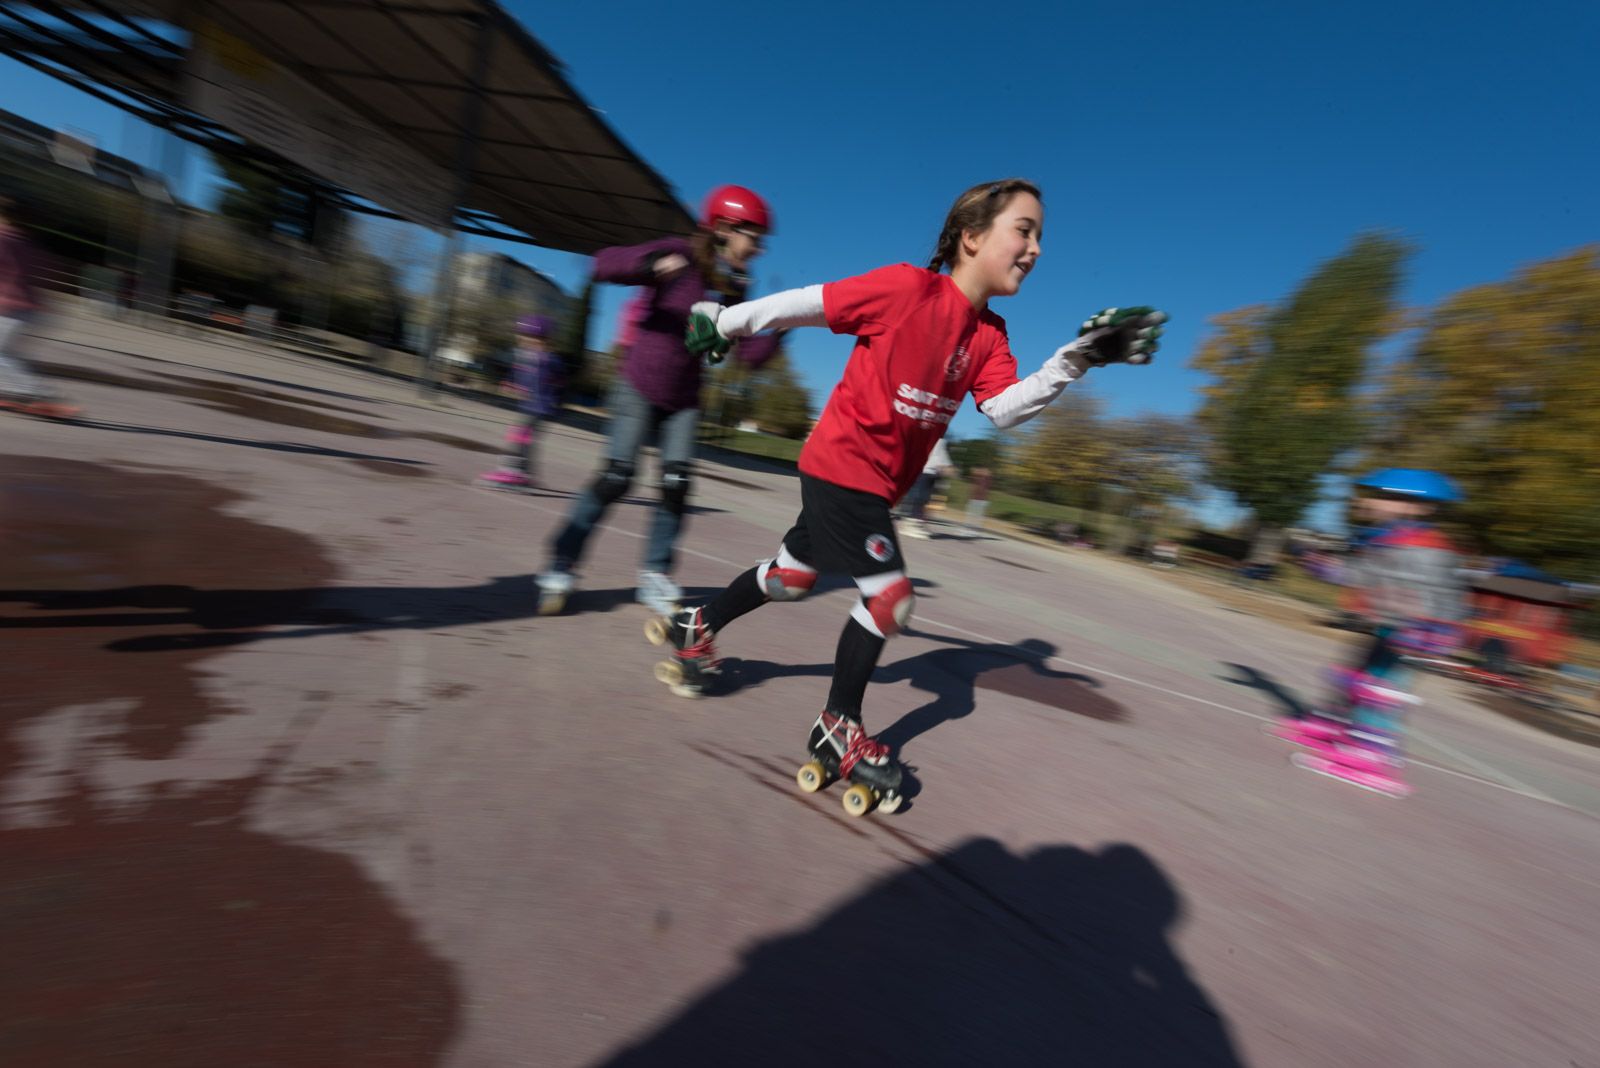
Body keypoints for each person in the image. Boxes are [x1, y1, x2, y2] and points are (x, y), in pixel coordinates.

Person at [658, 178, 1165, 813]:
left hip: (872, 485)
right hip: (843, 466)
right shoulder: (906, 289)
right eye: (1025, 230)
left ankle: (696, 624)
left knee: (790, 578)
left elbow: (1004, 410)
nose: (1036, 249)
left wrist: (1076, 359)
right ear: (972, 236)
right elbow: (809, 303)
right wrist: (725, 320)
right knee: (891, 600)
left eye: (1041, 237)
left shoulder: (989, 335)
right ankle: (837, 726)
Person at [536, 186, 781, 615]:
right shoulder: (679, 255)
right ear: (723, 228)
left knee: (676, 485)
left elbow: (749, 356)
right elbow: (602, 264)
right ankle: (562, 560)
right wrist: (647, 264)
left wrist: (781, 327)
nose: (758, 249)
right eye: (753, 238)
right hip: (639, 383)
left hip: (684, 398)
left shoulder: (733, 286)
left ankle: (655, 573)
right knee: (617, 476)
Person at [1276, 468, 1466, 797]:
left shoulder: (1422, 545)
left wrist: (1433, 631)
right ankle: (1332, 724)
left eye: (1381, 496)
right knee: (1353, 673)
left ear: (1415, 507)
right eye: (1372, 493)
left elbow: (1423, 589)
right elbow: (1368, 573)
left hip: (1417, 632)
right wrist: (1319, 562)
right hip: (1394, 624)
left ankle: (1372, 752)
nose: (1367, 500)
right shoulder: (1392, 538)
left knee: (1379, 691)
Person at [0, 196, 79, 419]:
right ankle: (19, 391)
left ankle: (40, 394)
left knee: (2, 355)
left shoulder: (3, 239)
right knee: (14, 355)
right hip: (37, 313)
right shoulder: (30, 243)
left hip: (12, 311)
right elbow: (52, 271)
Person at [476, 314, 560, 492]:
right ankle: (526, 474)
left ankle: (515, 471)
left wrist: (554, 396)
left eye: (528, 337)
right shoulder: (526, 357)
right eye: (521, 337)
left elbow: (559, 380)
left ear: (541, 340)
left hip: (542, 407)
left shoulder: (549, 359)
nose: (522, 340)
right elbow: (518, 373)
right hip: (530, 405)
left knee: (520, 436)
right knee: (524, 438)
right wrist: (511, 383)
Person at [899, 437, 953, 539]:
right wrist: (946, 465)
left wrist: (945, 466)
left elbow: (940, 454)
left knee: (925, 499)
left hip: (932, 472)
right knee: (919, 497)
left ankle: (916, 523)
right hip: (925, 470)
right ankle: (910, 524)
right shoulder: (933, 436)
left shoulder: (939, 438)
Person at [963, 465, 994, 537]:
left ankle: (975, 530)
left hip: (981, 500)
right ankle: (968, 529)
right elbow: (973, 487)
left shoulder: (987, 479)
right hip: (975, 499)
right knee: (971, 515)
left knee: (978, 516)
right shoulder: (977, 478)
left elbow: (987, 476)